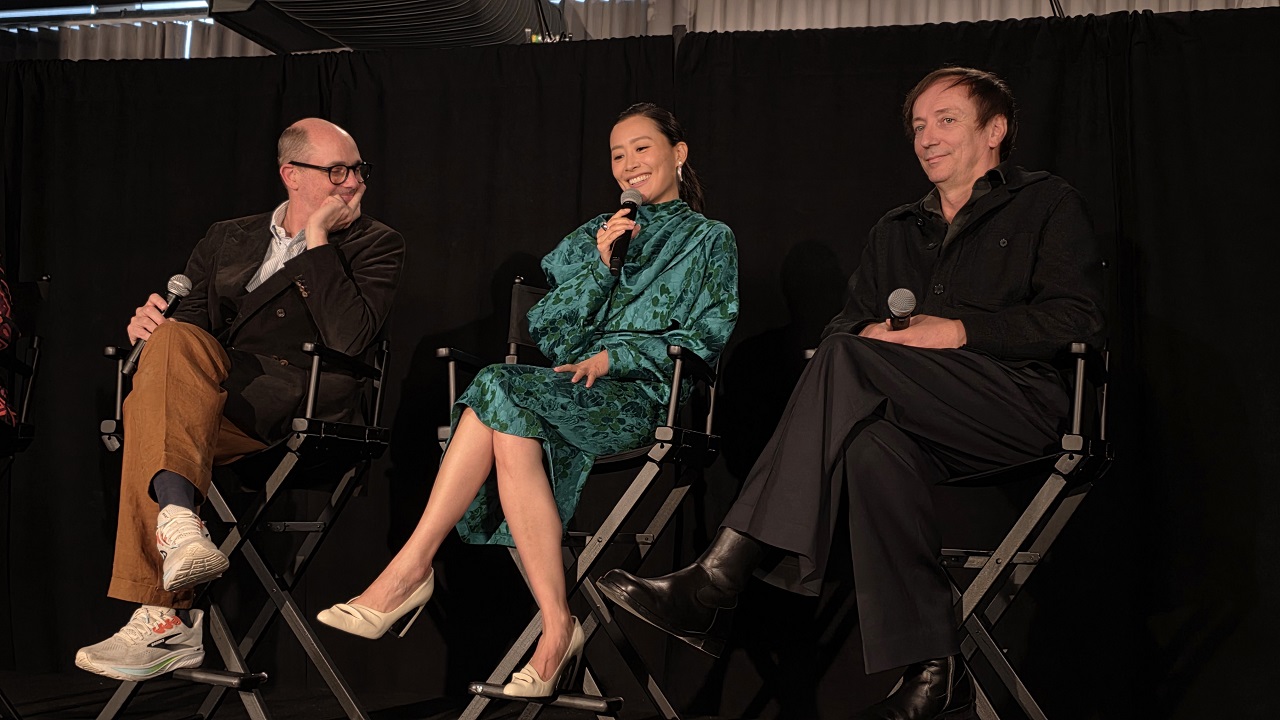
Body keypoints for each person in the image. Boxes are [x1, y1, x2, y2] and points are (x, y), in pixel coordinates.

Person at [598, 67, 1106, 719]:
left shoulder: (1047, 203)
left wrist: (957, 330)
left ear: (996, 129)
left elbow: (1080, 319)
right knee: (867, 444)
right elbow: (845, 329)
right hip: (918, 416)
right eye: (918, 125)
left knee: (848, 363)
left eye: (946, 120)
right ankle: (934, 672)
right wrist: (873, 335)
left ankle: (725, 570)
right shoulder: (895, 230)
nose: (927, 136)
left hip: (1020, 406)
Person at [316, 103, 739, 698]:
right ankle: (557, 624)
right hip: (570, 391)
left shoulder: (708, 239)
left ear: (679, 152)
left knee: (496, 387)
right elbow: (550, 330)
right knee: (508, 418)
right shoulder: (597, 234)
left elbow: (706, 338)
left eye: (641, 148)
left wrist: (615, 357)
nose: (628, 165)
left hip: (644, 397)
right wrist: (598, 266)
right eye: (617, 155)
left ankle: (412, 568)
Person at [75, 118, 405, 682]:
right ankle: (179, 525)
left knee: (149, 420)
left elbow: (351, 339)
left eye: (357, 170)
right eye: (337, 171)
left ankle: (165, 613)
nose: (352, 182)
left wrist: (319, 241)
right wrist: (153, 331)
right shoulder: (229, 236)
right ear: (290, 175)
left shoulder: (375, 243)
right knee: (169, 350)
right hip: (215, 392)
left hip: (298, 398)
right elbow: (191, 329)